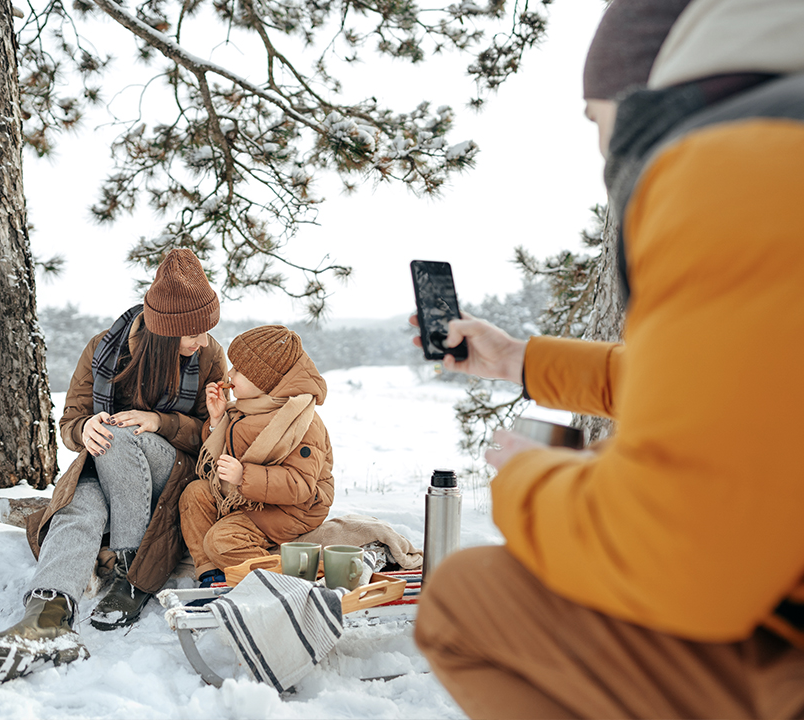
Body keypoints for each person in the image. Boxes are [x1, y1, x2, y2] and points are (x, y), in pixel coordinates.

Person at [413, 0, 804, 717]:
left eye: (596, 122)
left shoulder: (738, 166)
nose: (600, 156)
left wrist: (526, 480)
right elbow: (733, 388)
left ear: (647, 99)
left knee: (468, 601)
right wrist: (517, 360)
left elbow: (682, 559)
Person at [0, 248, 227, 685]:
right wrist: (84, 431)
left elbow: (214, 433)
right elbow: (69, 422)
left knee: (120, 438)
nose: (203, 340)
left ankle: (130, 568)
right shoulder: (104, 349)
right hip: (106, 469)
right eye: (192, 332)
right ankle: (46, 619)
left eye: (205, 329)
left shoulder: (209, 357)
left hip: (171, 472)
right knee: (80, 505)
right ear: (164, 332)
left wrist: (161, 422)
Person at [179, 324, 334, 587]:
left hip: (290, 509)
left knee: (221, 540)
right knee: (195, 494)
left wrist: (244, 476)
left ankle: (291, 577)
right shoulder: (245, 408)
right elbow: (227, 451)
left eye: (239, 370)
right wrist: (217, 420)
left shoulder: (300, 421)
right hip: (251, 498)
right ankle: (213, 574)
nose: (229, 374)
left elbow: (301, 485)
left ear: (264, 379)